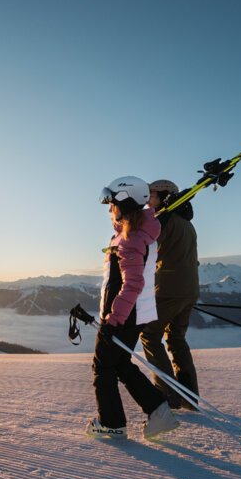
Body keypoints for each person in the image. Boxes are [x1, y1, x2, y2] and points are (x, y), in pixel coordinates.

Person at [87, 176, 179, 440]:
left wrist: (114, 318)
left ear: (124, 203)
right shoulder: (137, 233)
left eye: (111, 202)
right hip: (135, 313)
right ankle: (159, 411)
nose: (108, 209)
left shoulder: (131, 238)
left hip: (124, 315)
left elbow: (133, 283)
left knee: (102, 367)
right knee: (120, 365)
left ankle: (111, 424)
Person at [139, 179, 200, 410]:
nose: (148, 201)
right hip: (189, 288)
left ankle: (168, 395)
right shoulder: (186, 223)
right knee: (176, 339)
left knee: (149, 335)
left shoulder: (164, 220)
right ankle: (190, 397)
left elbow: (146, 245)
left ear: (164, 197)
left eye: (151, 196)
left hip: (169, 288)